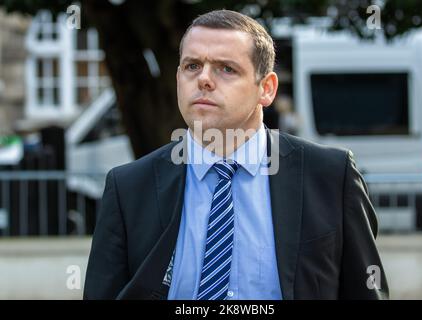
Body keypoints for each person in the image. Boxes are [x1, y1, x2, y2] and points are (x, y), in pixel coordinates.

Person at [84, 9, 389, 300]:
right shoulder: (129, 188)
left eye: (226, 68)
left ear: (266, 89)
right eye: (192, 66)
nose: (204, 79)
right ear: (178, 79)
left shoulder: (331, 177)